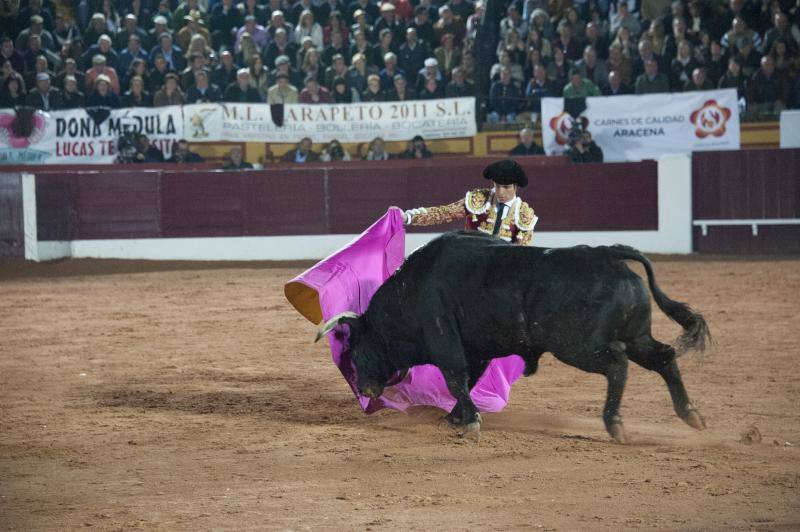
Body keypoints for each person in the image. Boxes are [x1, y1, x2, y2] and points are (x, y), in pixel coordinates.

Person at [402, 159, 537, 245]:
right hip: (469, 264)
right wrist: (408, 217)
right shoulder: (478, 199)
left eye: (506, 187)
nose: (501, 192)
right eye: (497, 186)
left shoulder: (524, 215)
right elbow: (445, 213)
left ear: (516, 187)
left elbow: (521, 255)